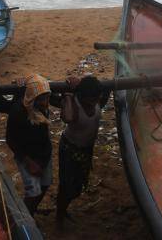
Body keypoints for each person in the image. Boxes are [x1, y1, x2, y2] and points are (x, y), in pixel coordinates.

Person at [56, 75, 109, 227]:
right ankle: (60, 214)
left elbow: (106, 93)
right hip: (69, 149)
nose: (94, 102)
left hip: (86, 149)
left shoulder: (97, 100)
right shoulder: (73, 103)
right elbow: (67, 118)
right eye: (91, 99)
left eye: (96, 98)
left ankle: (63, 210)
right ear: (82, 96)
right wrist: (68, 94)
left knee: (78, 186)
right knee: (66, 186)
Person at [6, 74, 53, 215]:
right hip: (27, 156)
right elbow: (10, 140)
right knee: (33, 191)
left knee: (45, 184)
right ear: (32, 97)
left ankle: (30, 213)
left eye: (46, 97)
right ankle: (26, 220)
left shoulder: (42, 108)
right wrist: (29, 162)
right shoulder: (18, 112)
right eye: (41, 98)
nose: (45, 102)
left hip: (44, 153)